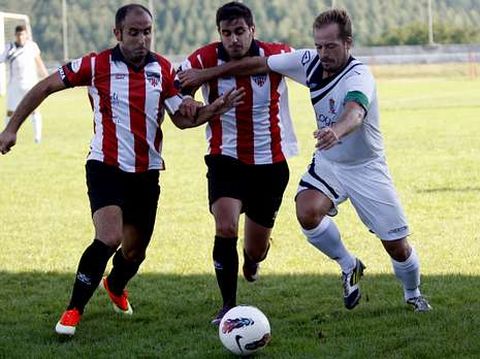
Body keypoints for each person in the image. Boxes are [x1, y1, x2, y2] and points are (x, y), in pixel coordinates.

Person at [0, 3, 244, 337]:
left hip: (147, 173)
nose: (142, 39)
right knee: (109, 236)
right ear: (118, 33)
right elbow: (45, 87)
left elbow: (182, 119)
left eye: (147, 32)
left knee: (134, 252)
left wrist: (210, 110)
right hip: (105, 165)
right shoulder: (95, 64)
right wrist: (11, 127)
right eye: (134, 32)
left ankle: (115, 284)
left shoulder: (163, 69)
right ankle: (73, 310)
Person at [178, 8, 432, 313]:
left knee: (397, 247)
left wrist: (337, 131)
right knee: (307, 212)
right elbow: (256, 64)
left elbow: (356, 111)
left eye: (331, 46)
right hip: (328, 163)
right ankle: (348, 264)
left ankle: (413, 293)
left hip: (365, 167)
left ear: (348, 43)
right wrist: (204, 77)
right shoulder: (307, 61)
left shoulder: (359, 75)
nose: (323, 53)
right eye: (319, 46)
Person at [177, 1, 298, 325]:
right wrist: (188, 98)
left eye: (240, 31)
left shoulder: (276, 53)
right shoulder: (203, 57)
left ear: (252, 30)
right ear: (219, 34)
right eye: (226, 33)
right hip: (225, 158)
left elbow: (305, 68)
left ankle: (252, 259)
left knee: (255, 249)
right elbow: (175, 86)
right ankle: (228, 305)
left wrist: (205, 77)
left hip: (270, 164)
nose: (233, 39)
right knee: (225, 225)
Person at [0, 25, 48, 143]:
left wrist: (46, 76)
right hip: (14, 85)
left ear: (26, 35)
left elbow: (39, 62)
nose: (20, 37)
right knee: (11, 112)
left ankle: (38, 137)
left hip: (30, 84)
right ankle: (7, 135)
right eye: (18, 35)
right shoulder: (9, 48)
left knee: (34, 110)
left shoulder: (32, 46)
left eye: (22, 34)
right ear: (15, 36)